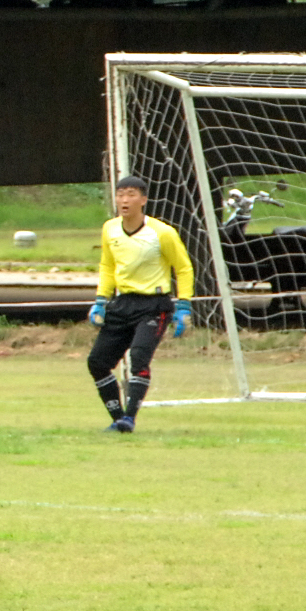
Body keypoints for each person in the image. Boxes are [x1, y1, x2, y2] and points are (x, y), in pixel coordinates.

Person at [89, 175, 195, 433]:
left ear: (143, 199)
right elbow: (108, 265)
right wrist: (101, 301)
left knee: (138, 357)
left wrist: (184, 305)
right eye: (120, 194)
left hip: (154, 305)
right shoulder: (110, 229)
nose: (124, 200)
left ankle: (130, 418)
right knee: (97, 362)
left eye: (131, 194)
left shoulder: (162, 232)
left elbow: (183, 268)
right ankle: (118, 419)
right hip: (122, 303)